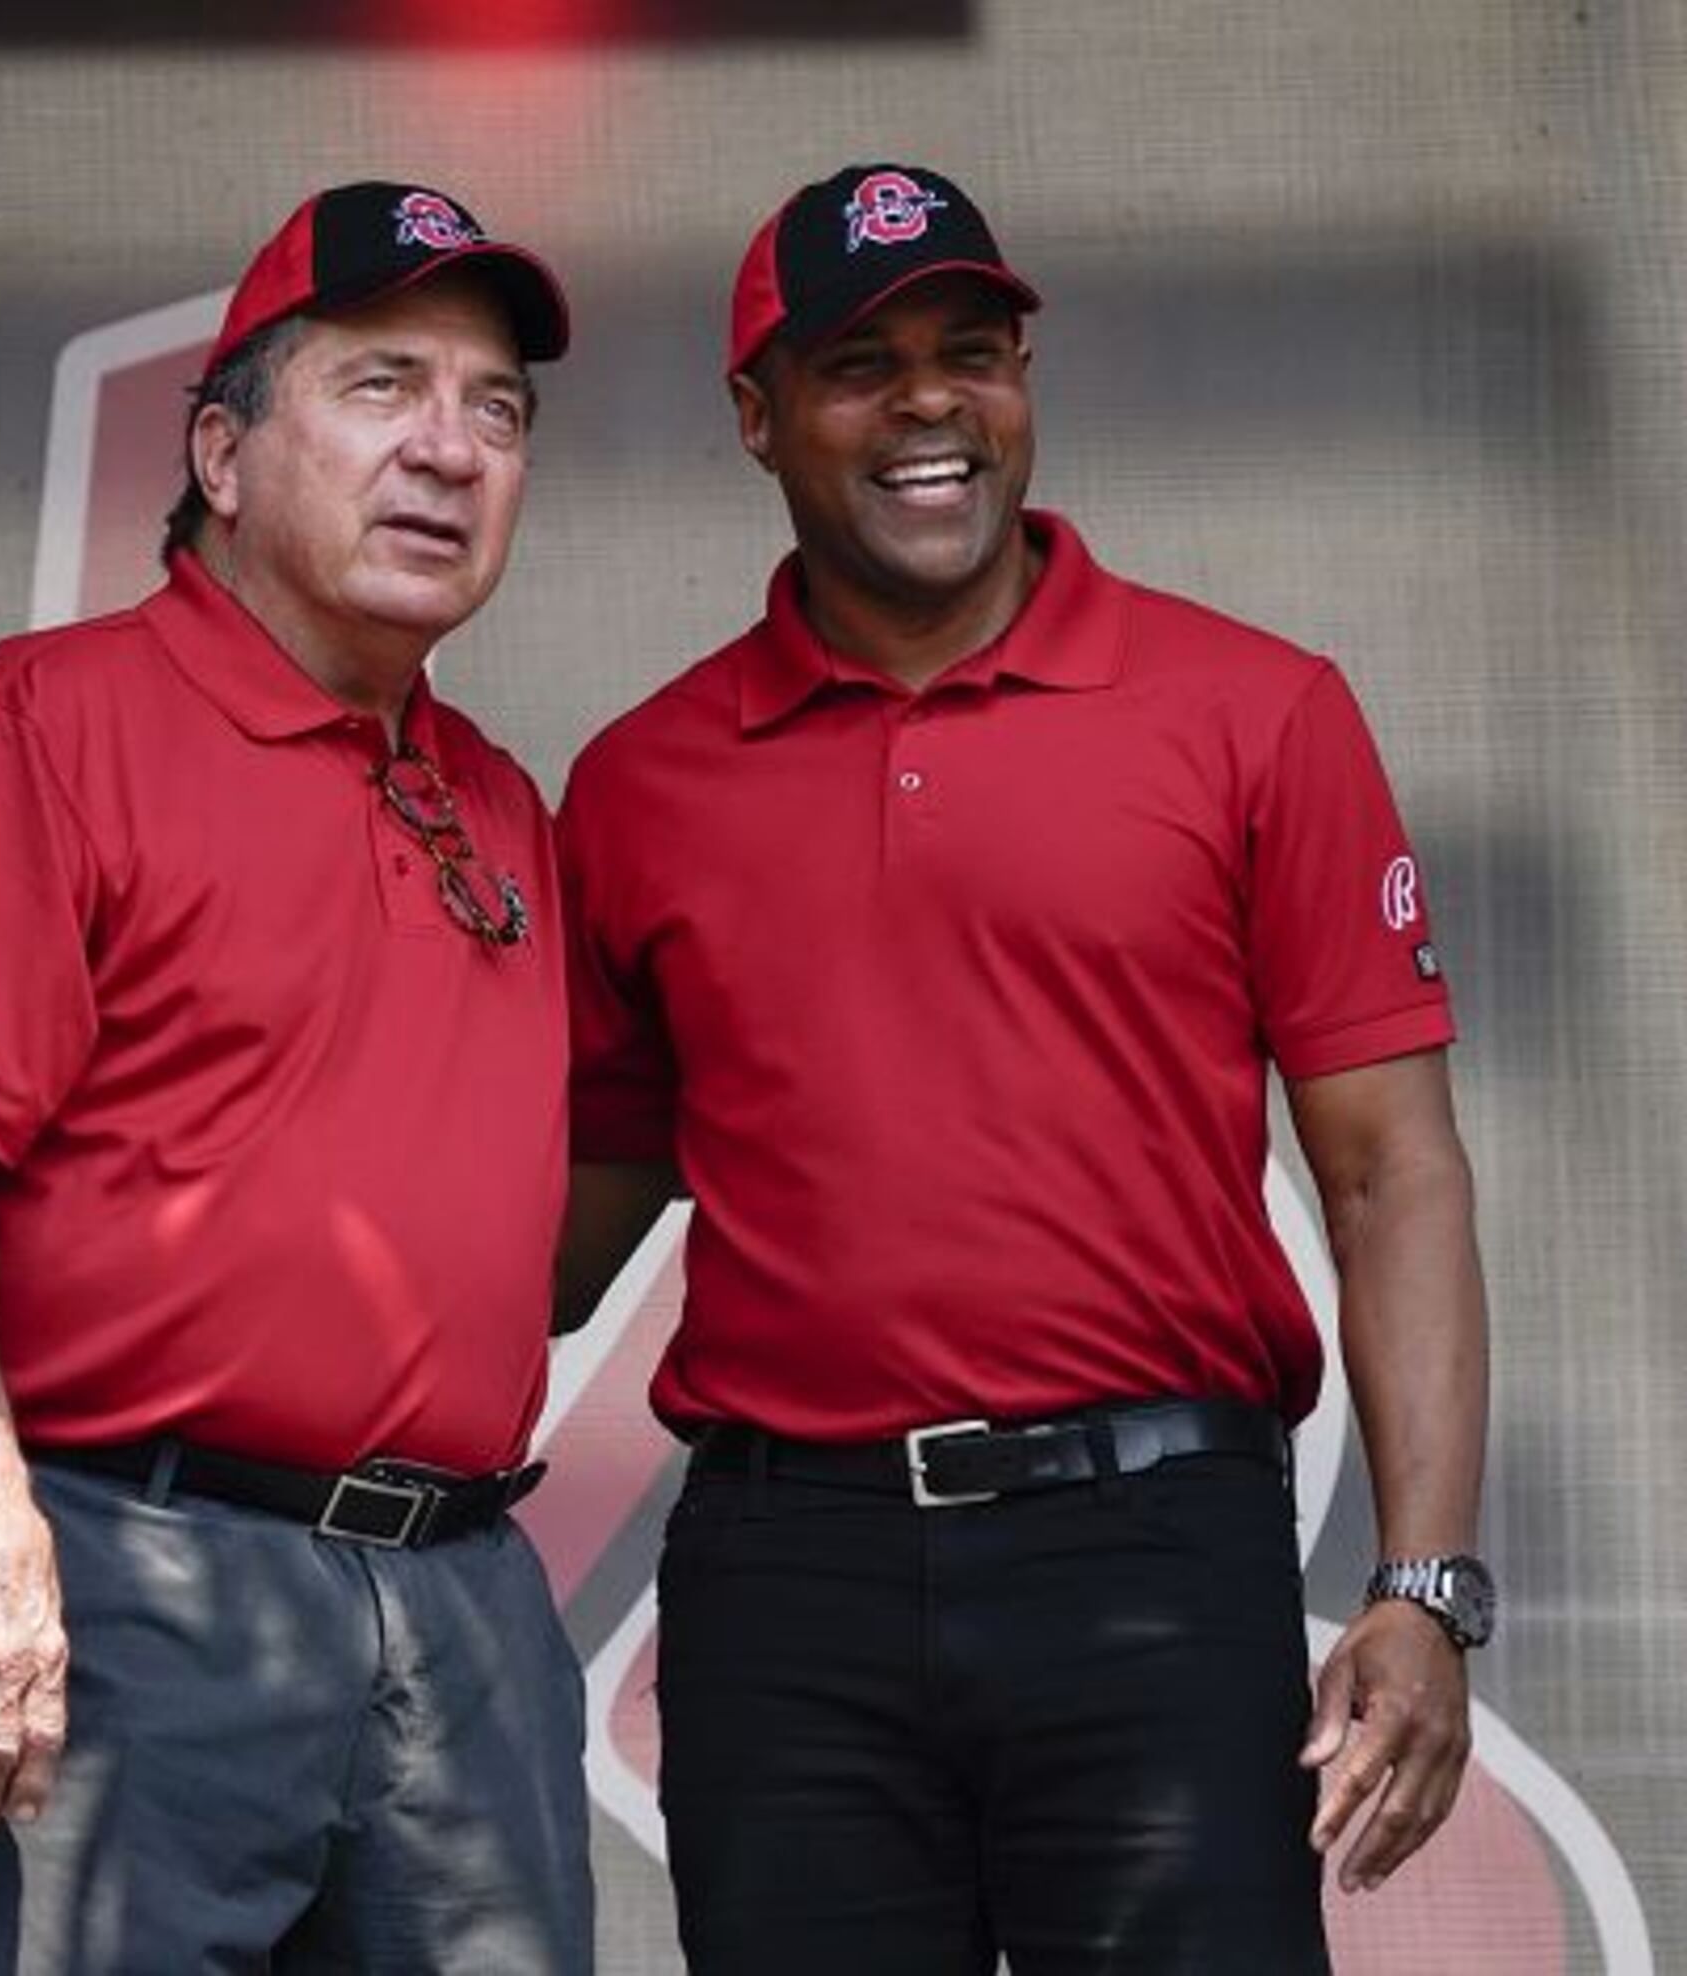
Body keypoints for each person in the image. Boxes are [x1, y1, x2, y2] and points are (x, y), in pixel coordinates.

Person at [556, 162, 1491, 1973]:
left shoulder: (1254, 710)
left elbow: (1394, 1173)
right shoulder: (637, 783)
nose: (929, 402)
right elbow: (553, 1243)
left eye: (970, 352)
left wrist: (1424, 1586)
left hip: (1150, 1545)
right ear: (755, 417)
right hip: (787, 1580)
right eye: (861, 363)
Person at [0, 181, 592, 1973]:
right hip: (126, 1570)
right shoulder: (37, 729)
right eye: (384, 386)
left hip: (461, 1601)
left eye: (497, 410)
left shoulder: (499, 799)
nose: (451, 452)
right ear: (223, 455)